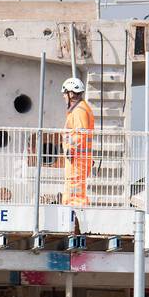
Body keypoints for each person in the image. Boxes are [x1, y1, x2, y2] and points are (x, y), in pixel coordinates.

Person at [61, 76, 94, 206]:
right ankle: (72, 209)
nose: (64, 97)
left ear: (70, 93)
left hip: (77, 158)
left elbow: (81, 134)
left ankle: (75, 212)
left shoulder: (79, 111)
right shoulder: (79, 109)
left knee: (75, 190)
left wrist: (71, 148)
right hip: (78, 158)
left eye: (65, 94)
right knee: (74, 187)